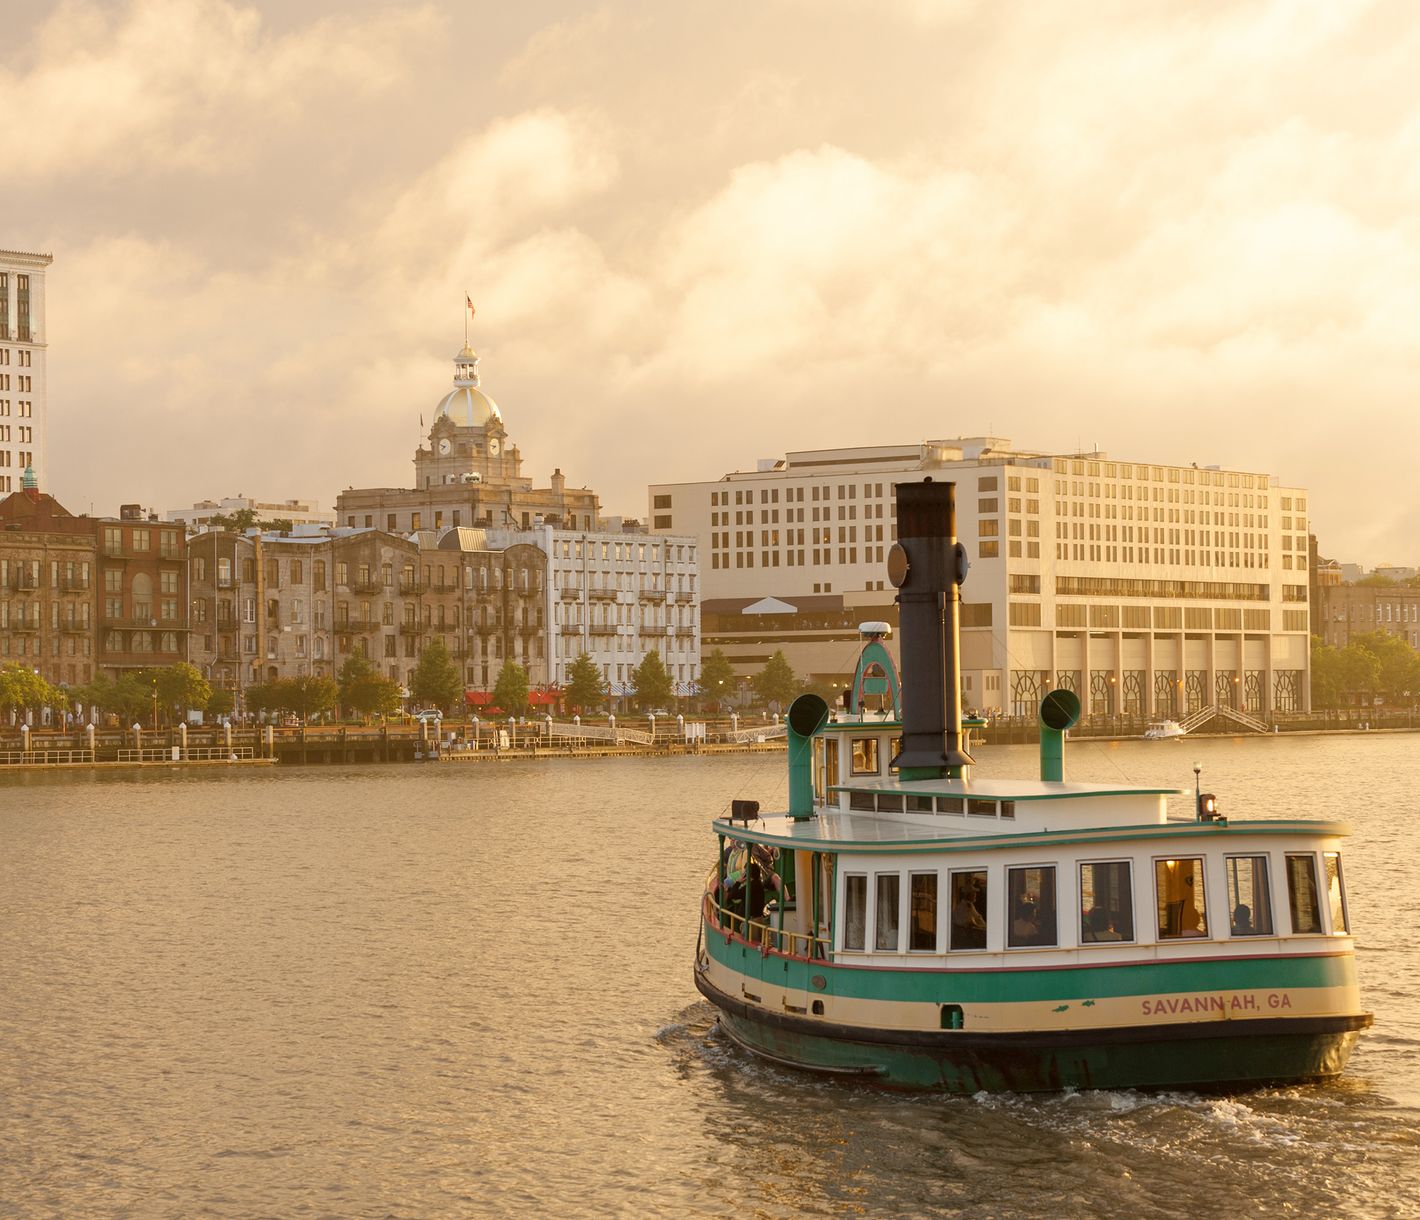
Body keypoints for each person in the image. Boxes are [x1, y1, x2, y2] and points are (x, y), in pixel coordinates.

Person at [953, 877, 987, 948]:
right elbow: (965, 921)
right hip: (968, 936)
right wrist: (976, 925)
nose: (975, 895)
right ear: (968, 895)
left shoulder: (971, 905)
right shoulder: (962, 907)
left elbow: (978, 917)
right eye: (973, 893)